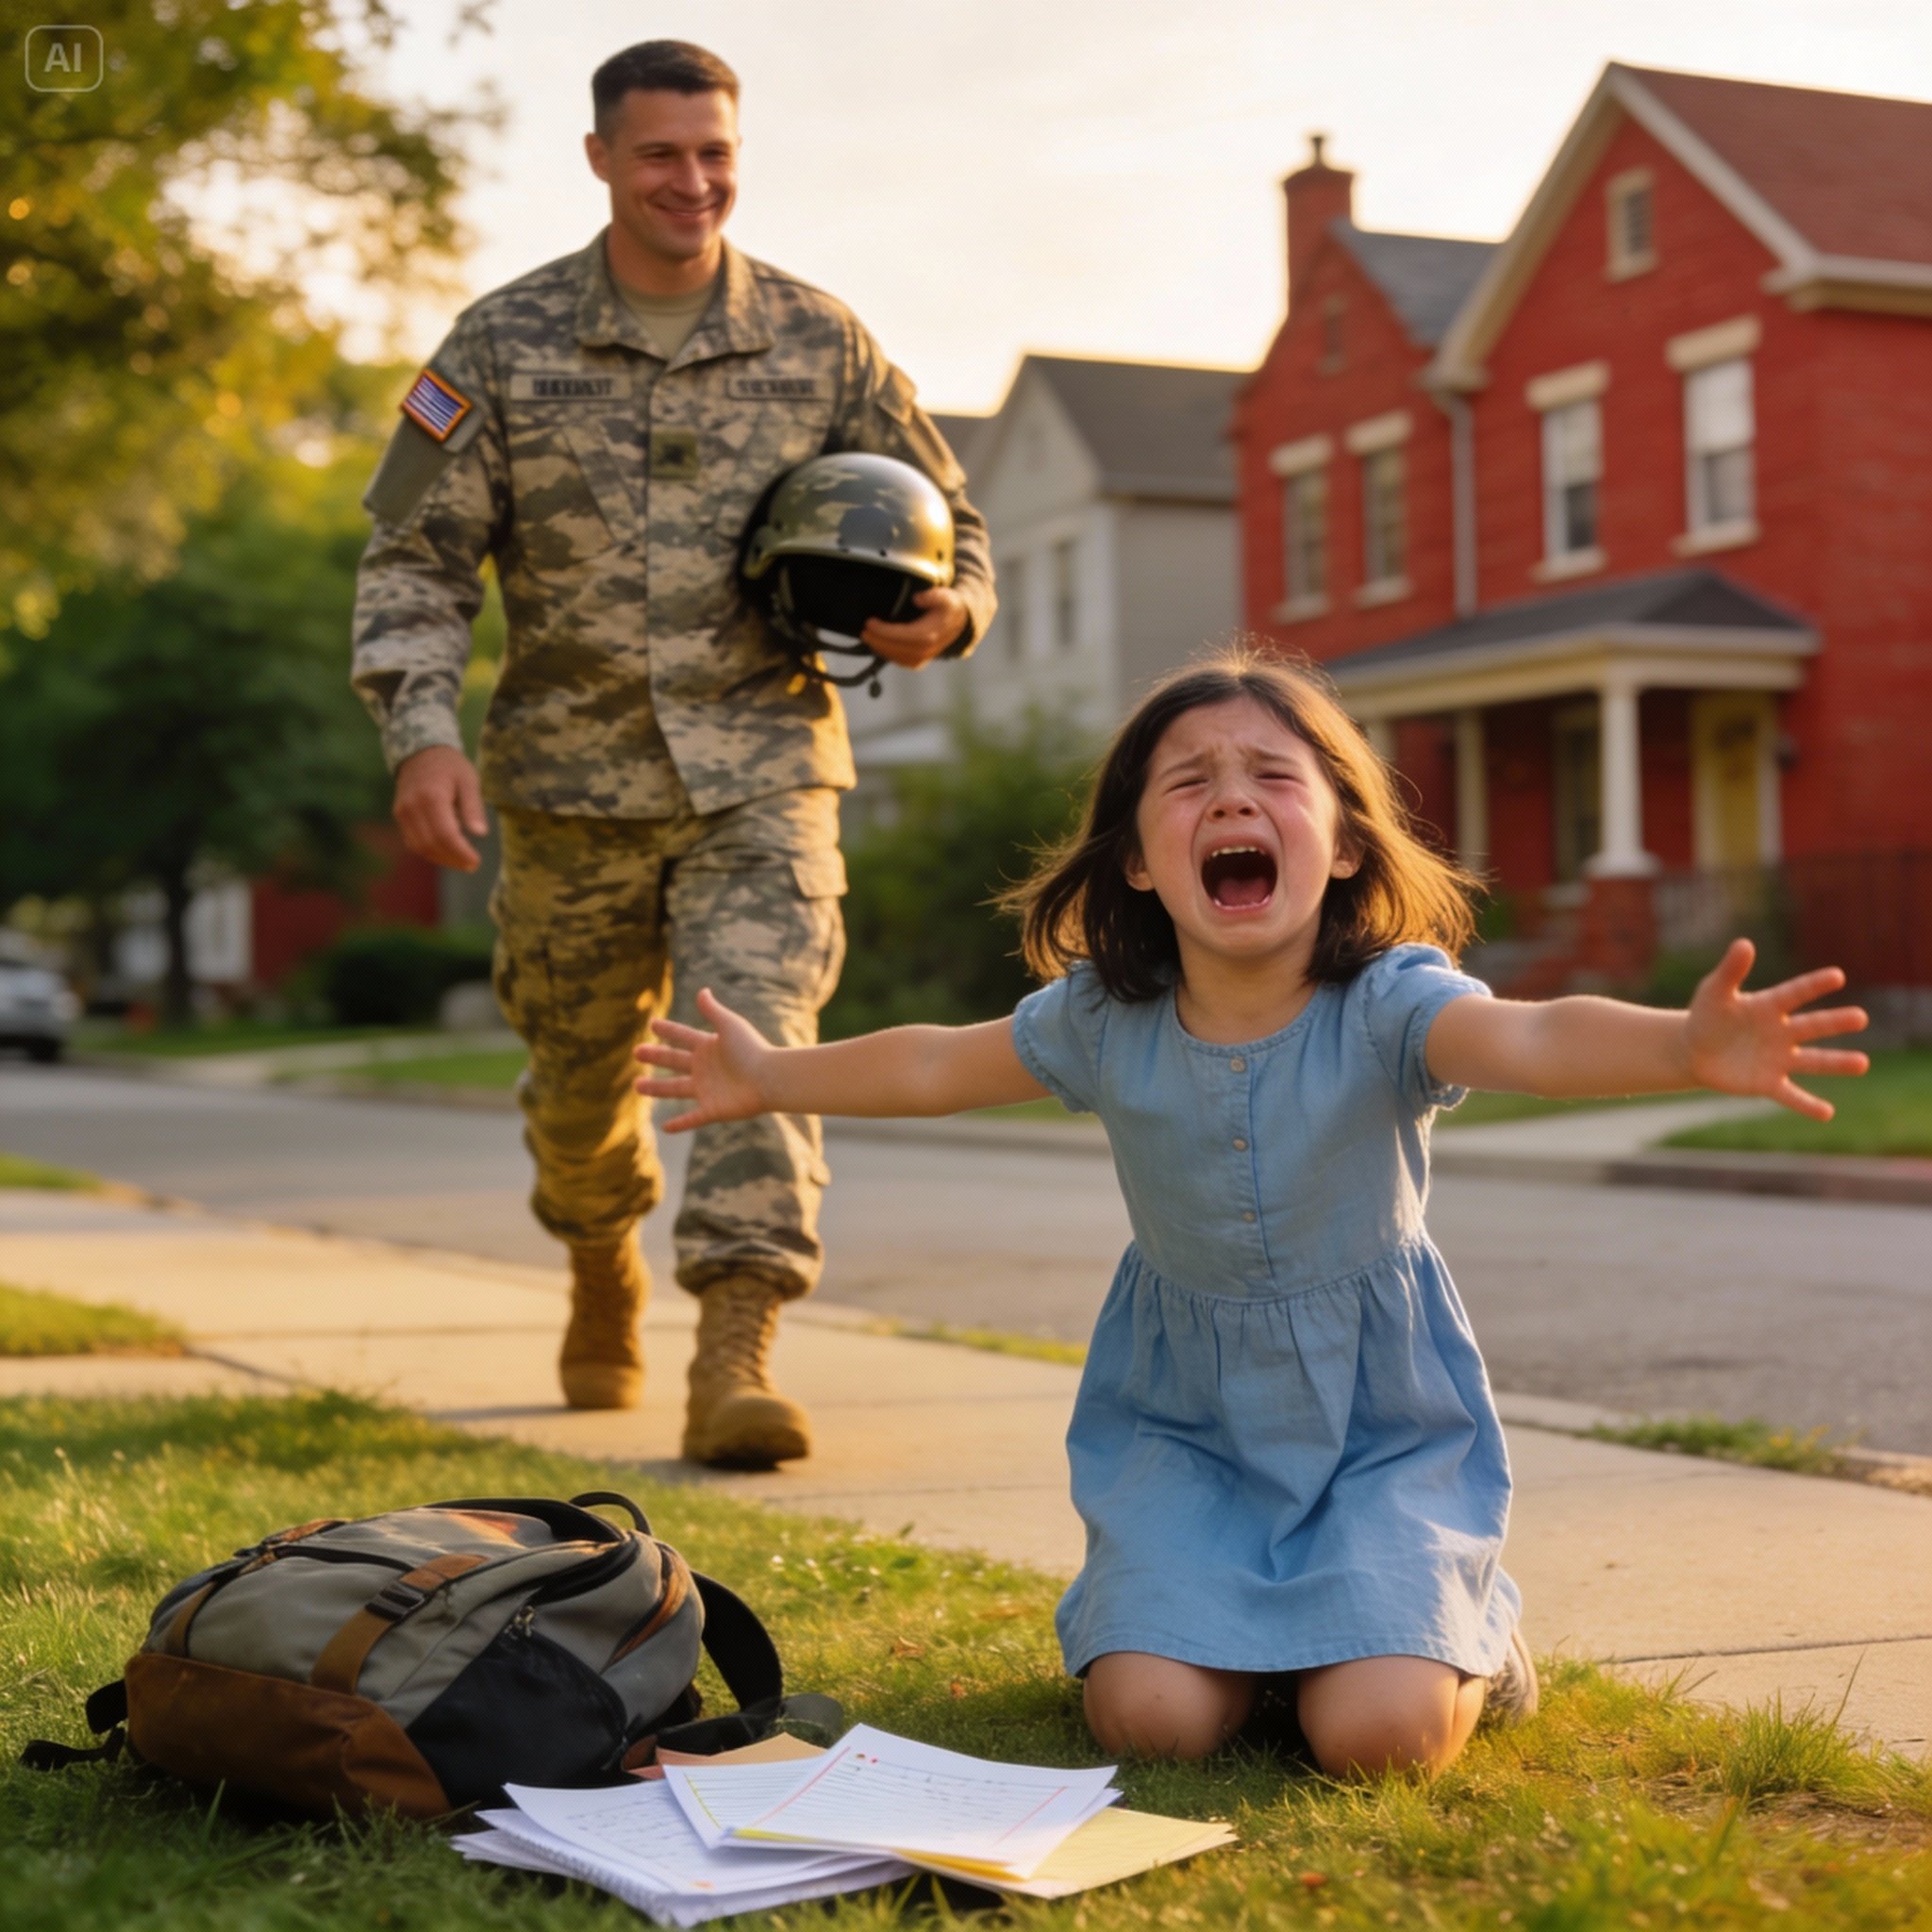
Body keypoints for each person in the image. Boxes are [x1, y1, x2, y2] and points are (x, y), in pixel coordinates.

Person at [633, 644, 1870, 1774]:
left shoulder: (1390, 1005)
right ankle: (1266, 1635)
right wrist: (770, 1076)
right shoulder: (1103, 1022)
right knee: (1151, 1727)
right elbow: (933, 1066)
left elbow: (1537, 1036)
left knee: (1378, 1742)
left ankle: (1459, 1633)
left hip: (1381, 1434)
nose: (1231, 799)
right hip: (1186, 1432)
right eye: (1189, 783)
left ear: (1339, 843)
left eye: (1274, 775)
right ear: (1134, 858)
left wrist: (1685, 1046)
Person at [350, 41, 994, 1469]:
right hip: (569, 796)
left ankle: (738, 1349)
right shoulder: (496, 345)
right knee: (580, 1093)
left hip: (765, 772)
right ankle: (596, 1255)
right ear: (600, 160)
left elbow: (957, 521)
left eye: (714, 154)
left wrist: (948, 614)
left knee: (758, 1036)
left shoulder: (822, 341)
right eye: (659, 155)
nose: (692, 182)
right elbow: (413, 555)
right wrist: (421, 735)